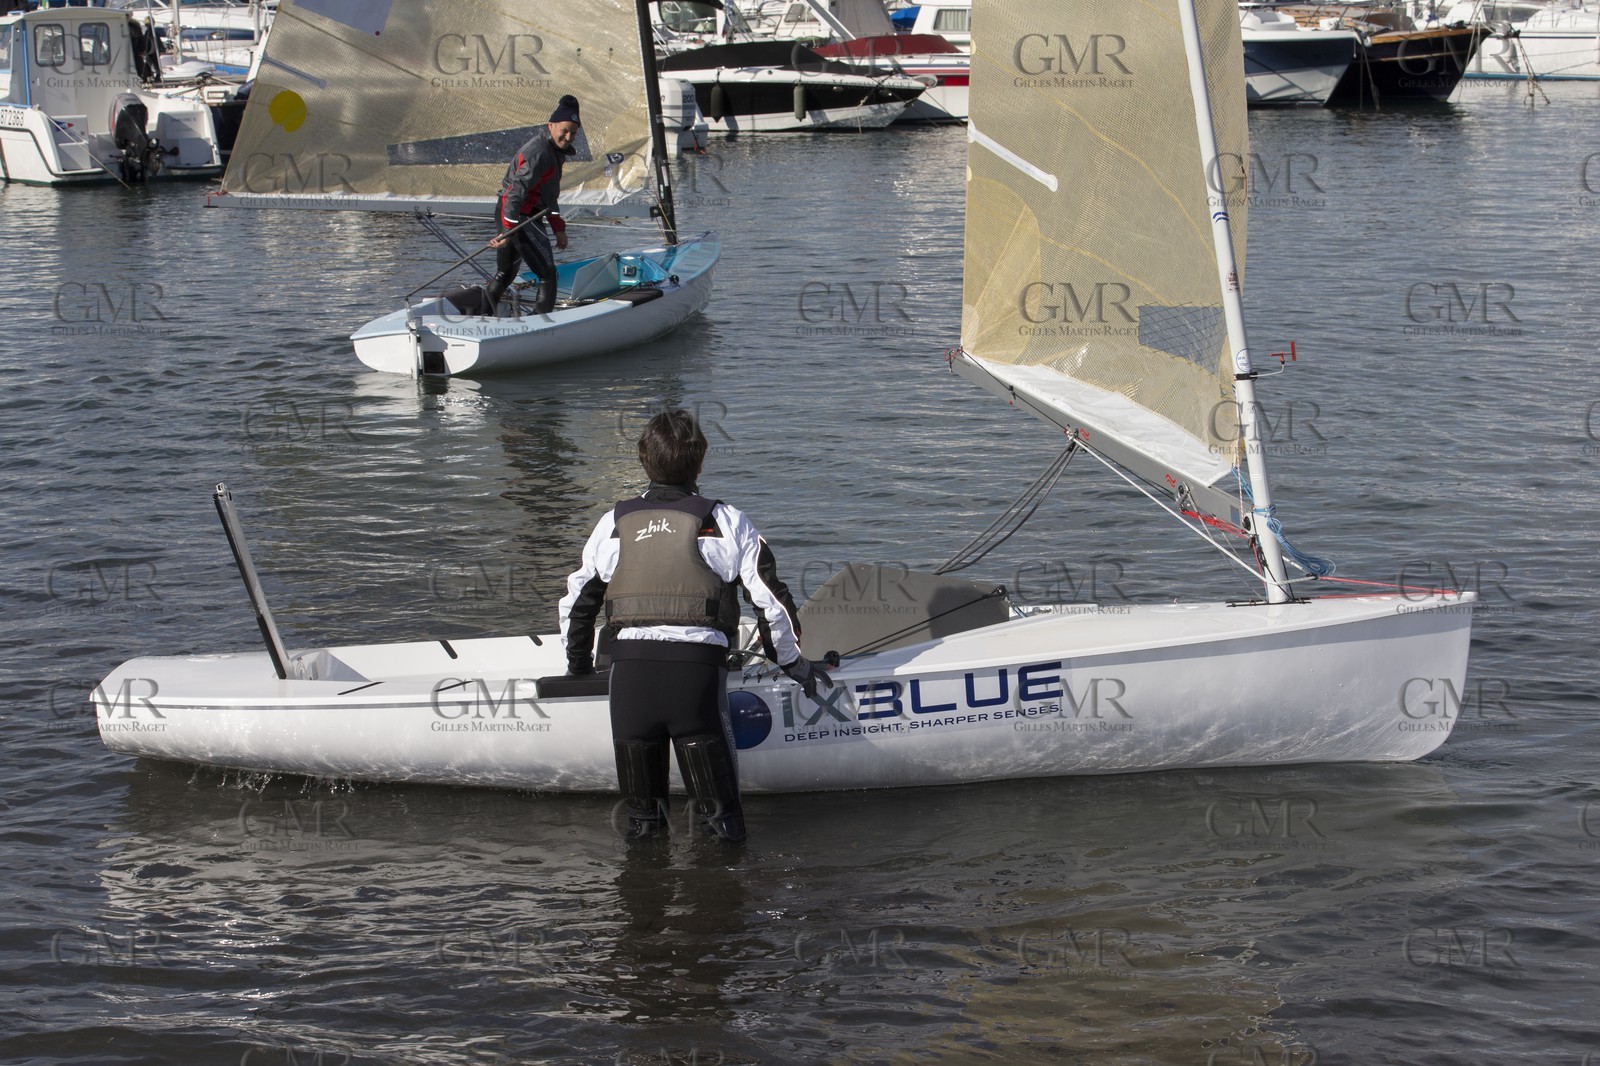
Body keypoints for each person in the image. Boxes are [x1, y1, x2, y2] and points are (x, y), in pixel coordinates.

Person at [559, 410, 832, 844]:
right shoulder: (727, 521)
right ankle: (722, 903)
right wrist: (794, 665)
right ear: (701, 463)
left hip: (630, 683)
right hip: (695, 682)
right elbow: (772, 605)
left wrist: (577, 667)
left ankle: (643, 904)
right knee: (722, 826)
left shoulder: (613, 523)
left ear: (643, 459)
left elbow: (579, 602)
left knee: (643, 828)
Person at [486, 94, 580, 315]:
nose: (568, 137)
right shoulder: (539, 153)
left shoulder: (554, 152)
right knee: (548, 274)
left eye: (573, 132)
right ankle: (539, 326)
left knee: (505, 274)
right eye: (564, 130)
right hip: (518, 216)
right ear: (551, 125)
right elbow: (515, 192)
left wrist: (559, 228)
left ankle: (483, 315)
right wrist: (507, 230)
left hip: (514, 214)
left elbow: (548, 195)